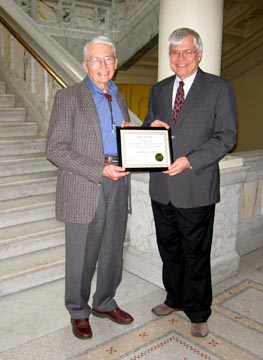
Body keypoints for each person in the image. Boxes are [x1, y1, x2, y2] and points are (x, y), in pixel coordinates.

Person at [143, 28, 237, 337]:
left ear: (198, 54)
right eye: (174, 52)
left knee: (196, 252)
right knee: (169, 249)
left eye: (186, 52)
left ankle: (198, 311)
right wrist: (144, 129)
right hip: (161, 187)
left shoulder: (218, 88)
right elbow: (150, 128)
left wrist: (190, 159)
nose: (180, 58)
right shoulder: (158, 89)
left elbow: (227, 136)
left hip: (196, 185)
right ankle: (175, 298)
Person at [46, 35, 134, 340]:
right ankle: (78, 310)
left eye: (108, 59)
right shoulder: (68, 97)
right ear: (85, 64)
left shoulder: (119, 97)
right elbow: (55, 149)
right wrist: (99, 169)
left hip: (118, 182)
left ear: (116, 64)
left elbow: (112, 137)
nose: (103, 65)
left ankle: (105, 302)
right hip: (85, 185)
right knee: (81, 256)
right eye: (96, 59)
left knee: (112, 251)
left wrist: (130, 140)